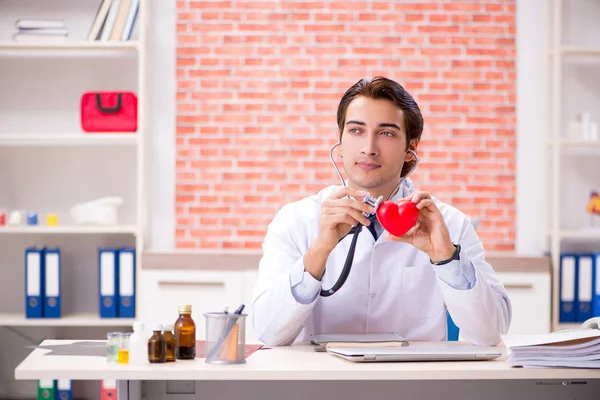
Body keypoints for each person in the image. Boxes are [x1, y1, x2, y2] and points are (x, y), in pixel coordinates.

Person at [251, 76, 511, 347]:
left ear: (411, 149)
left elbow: (491, 334)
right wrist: (318, 253)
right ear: (339, 145)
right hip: (323, 385)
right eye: (356, 131)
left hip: (411, 385)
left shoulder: (449, 224)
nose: (369, 148)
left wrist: (446, 258)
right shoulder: (295, 221)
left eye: (386, 133)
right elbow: (269, 333)